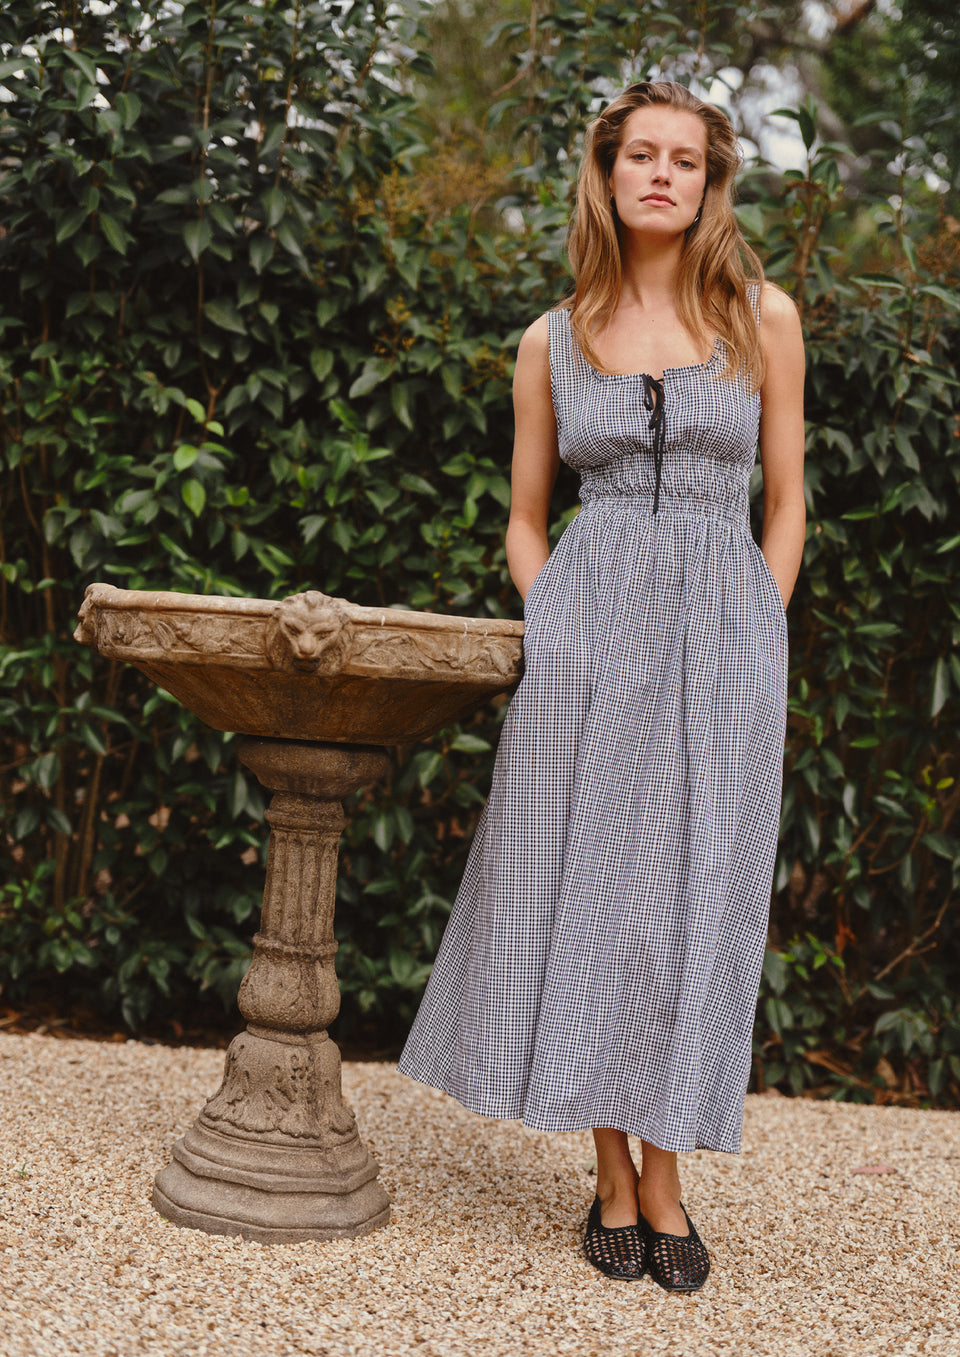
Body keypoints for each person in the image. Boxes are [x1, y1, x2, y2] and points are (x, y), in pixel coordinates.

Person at [398, 80, 806, 1292]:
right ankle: (612, 1174)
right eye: (642, 155)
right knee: (589, 894)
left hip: (723, 648)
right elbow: (528, 521)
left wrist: (758, 623)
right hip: (588, 650)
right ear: (608, 172)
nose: (663, 175)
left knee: (690, 903)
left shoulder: (762, 317)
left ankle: (667, 1173)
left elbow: (786, 502)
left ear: (710, 178)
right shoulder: (553, 335)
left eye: (685, 158)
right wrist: (557, 624)